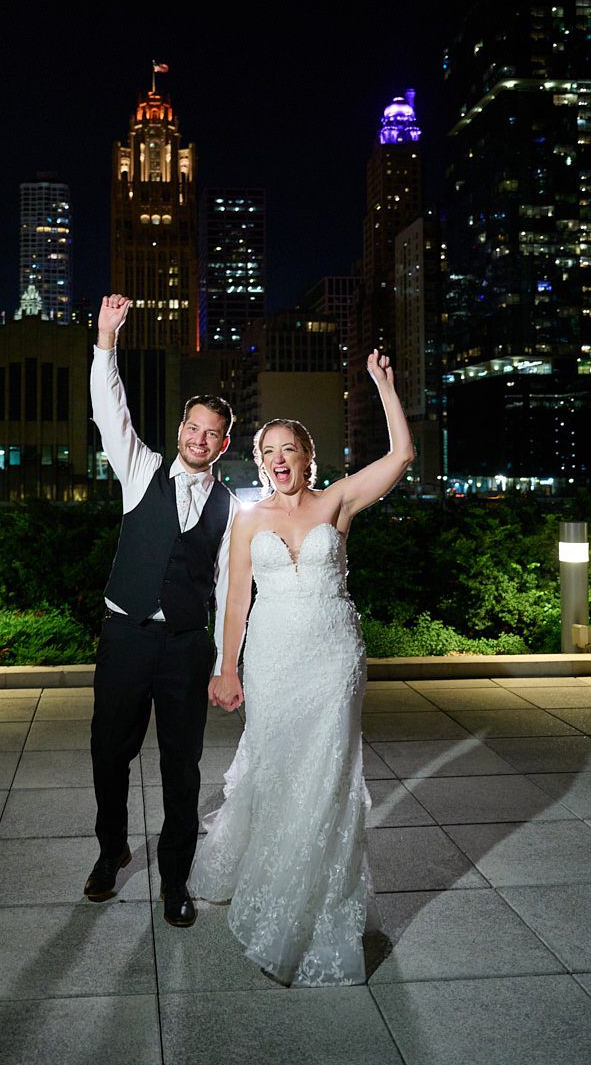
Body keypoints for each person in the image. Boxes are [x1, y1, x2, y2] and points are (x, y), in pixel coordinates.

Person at [189, 349, 415, 985]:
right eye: (268, 451)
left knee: (327, 780)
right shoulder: (247, 518)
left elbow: (400, 457)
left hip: (333, 659)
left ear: (308, 457)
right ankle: (262, 874)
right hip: (272, 659)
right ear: (258, 461)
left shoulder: (337, 502)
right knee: (277, 769)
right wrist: (224, 668)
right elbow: (236, 598)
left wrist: (383, 387)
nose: (278, 459)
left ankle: (311, 912)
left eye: (289, 449)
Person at [85, 294, 238, 928]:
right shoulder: (140, 467)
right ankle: (111, 849)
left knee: (182, 765)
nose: (199, 439)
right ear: (180, 429)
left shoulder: (232, 507)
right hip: (125, 635)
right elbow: (108, 408)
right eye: (192, 427)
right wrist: (105, 340)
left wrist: (226, 665)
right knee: (108, 752)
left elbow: (231, 589)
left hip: (183, 646)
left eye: (212, 433)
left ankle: (175, 878)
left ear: (224, 444)